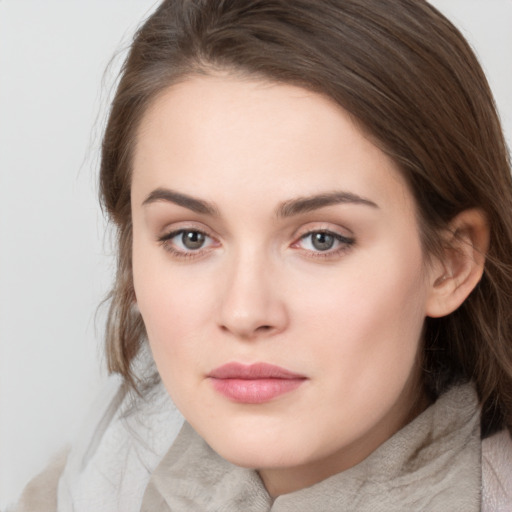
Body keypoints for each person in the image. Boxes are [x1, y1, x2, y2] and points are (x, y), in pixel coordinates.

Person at [14, 0, 512, 510]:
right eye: (190, 237)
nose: (245, 312)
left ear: (451, 264)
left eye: (322, 239)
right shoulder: (102, 467)